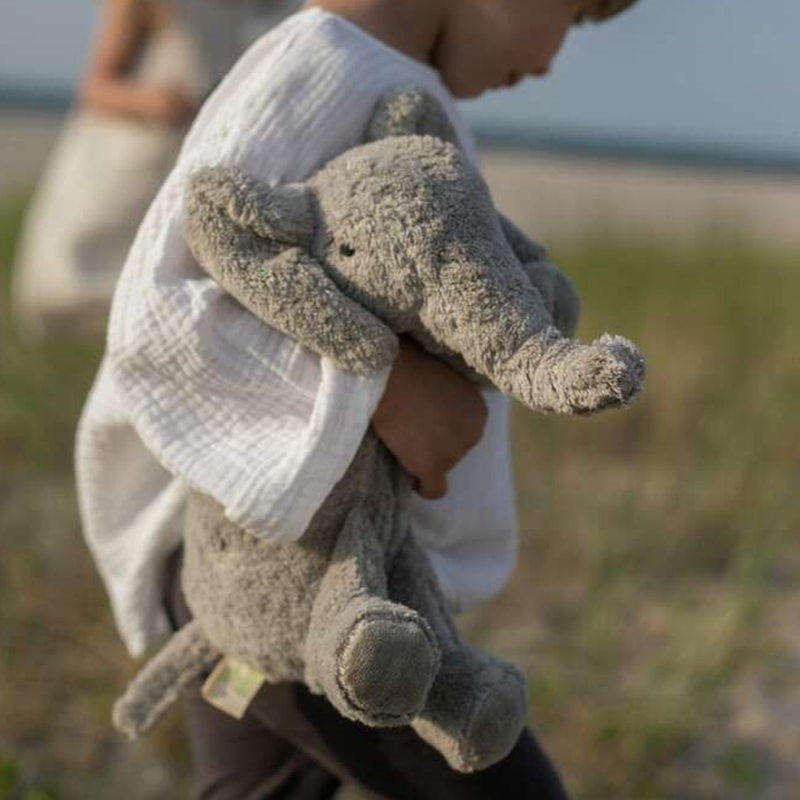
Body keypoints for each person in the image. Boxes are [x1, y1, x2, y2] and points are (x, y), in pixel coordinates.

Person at [75, 0, 640, 797]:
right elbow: (158, 313)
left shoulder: (396, 83)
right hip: (288, 574)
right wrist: (388, 390)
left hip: (317, 555)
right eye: (576, 16)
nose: (552, 62)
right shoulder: (316, 63)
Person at [11, 0, 245, 340]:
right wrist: (154, 102)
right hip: (134, 160)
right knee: (90, 280)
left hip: (200, 159)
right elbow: (95, 84)